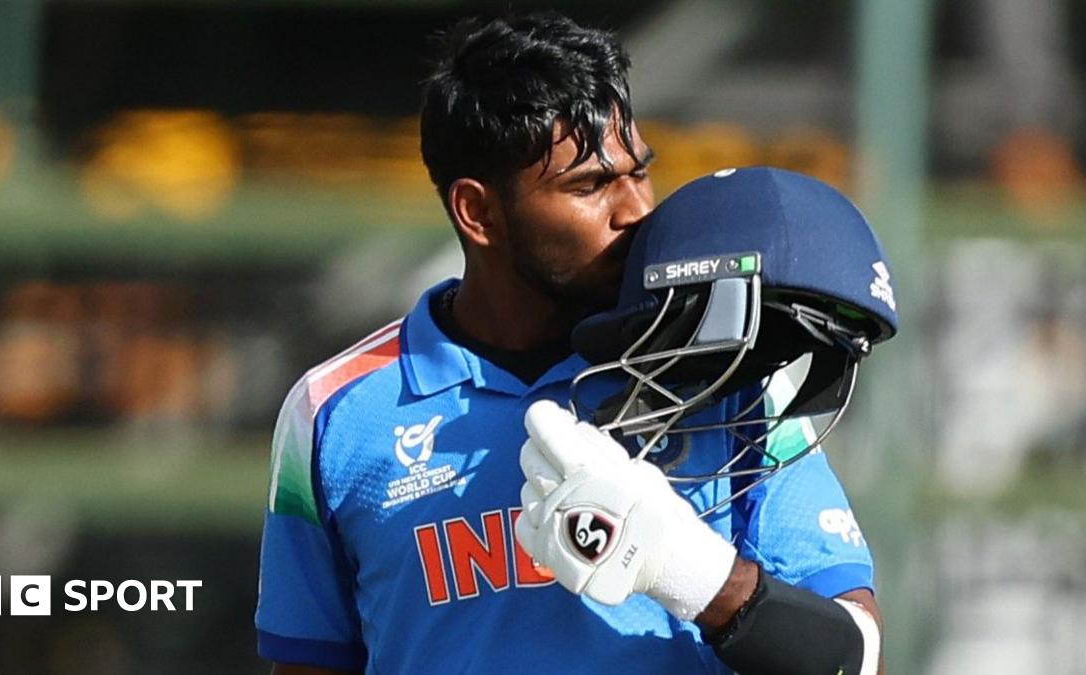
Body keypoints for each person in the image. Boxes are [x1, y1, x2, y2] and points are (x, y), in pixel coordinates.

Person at [256, 12, 885, 674]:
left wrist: (687, 570)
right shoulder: (332, 412)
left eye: (638, 172)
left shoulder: (733, 374)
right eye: (589, 185)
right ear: (479, 212)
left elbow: (857, 658)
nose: (637, 209)